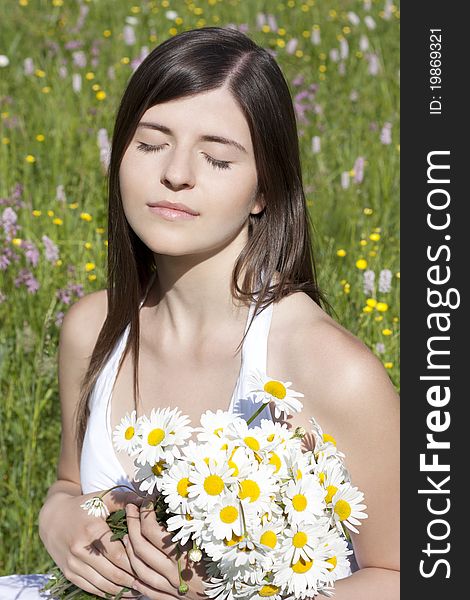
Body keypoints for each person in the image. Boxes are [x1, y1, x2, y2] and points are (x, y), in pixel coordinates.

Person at [1, 26, 399, 599]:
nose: (177, 173)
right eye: (151, 143)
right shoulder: (92, 329)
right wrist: (58, 517)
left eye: (216, 158)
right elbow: (72, 483)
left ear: (264, 189)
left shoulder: (329, 368)